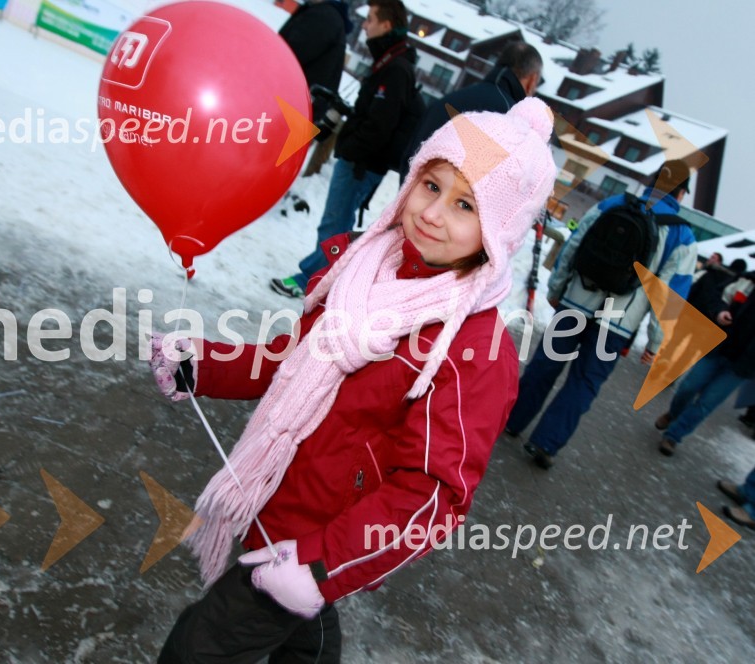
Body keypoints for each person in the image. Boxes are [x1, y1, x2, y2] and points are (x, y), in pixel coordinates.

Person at [152, 98, 557, 662]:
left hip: (319, 537)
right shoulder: (363, 267)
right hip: (274, 491)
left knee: (197, 649)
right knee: (303, 642)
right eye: (431, 185)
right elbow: (291, 360)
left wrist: (321, 566)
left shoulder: (475, 351)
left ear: (498, 232)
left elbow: (431, 496)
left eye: (465, 204)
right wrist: (205, 364)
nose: (433, 212)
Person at [505, 160, 698, 469]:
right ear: (682, 193)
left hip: (577, 301)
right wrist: (655, 342)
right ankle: (545, 443)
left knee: (545, 364)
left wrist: (557, 287)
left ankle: (513, 421)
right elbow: (669, 298)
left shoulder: (614, 203)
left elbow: (574, 244)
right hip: (617, 323)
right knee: (584, 382)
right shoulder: (683, 236)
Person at [271, 0, 419, 299]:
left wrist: (351, 147)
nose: (365, 25)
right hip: (361, 160)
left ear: (386, 25)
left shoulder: (396, 69)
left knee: (335, 228)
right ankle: (326, 282)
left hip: (360, 163)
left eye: (371, 19)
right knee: (337, 226)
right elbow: (373, 115)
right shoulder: (389, 62)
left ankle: (311, 281)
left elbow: (380, 125)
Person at [399, 40, 543, 181]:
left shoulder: (447, 101)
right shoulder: (512, 122)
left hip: (416, 191)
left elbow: (410, 157)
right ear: (532, 80)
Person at [655, 269, 755, 455]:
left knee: (706, 403)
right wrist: (720, 311)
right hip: (717, 348)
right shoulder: (747, 280)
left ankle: (673, 436)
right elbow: (718, 295)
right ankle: (673, 414)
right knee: (688, 387)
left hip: (742, 366)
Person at [278, 0, 353, 122]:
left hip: (290, 112)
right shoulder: (325, 14)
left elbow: (286, 57)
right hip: (298, 111)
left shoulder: (323, 17)